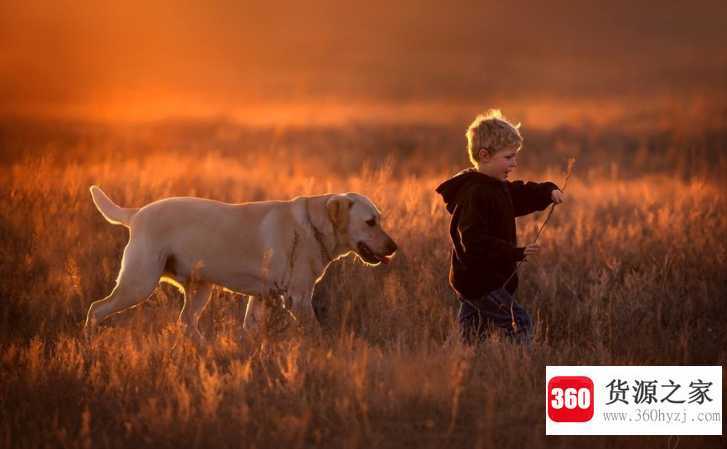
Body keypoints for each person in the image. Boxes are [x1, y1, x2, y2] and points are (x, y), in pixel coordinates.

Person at [435, 109, 564, 344]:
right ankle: (522, 368)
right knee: (519, 323)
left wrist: (548, 192)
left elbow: (521, 194)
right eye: (508, 157)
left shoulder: (497, 186)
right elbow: (474, 242)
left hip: (479, 280)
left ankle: (463, 365)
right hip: (479, 281)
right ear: (484, 155)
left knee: (473, 335)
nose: (514, 163)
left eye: (515, 157)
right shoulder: (475, 193)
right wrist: (515, 252)